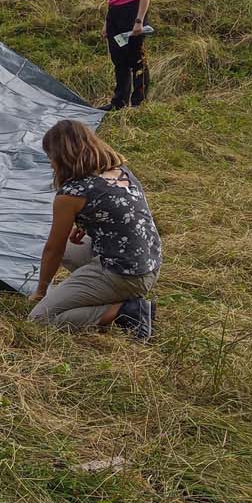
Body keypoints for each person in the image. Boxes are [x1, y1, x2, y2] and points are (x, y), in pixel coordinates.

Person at [27, 119, 160, 339]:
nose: (50, 164)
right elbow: (120, 214)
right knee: (70, 247)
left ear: (61, 157)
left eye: (50, 157)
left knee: (40, 319)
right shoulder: (120, 171)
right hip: (147, 265)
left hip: (124, 275)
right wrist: (87, 224)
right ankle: (109, 293)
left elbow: (53, 249)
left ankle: (127, 311)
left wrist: (41, 291)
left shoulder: (72, 194)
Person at [103, 0, 152, 110]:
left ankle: (138, 102)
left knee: (136, 59)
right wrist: (107, 23)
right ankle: (119, 102)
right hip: (115, 17)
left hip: (132, 15)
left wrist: (139, 21)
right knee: (119, 60)